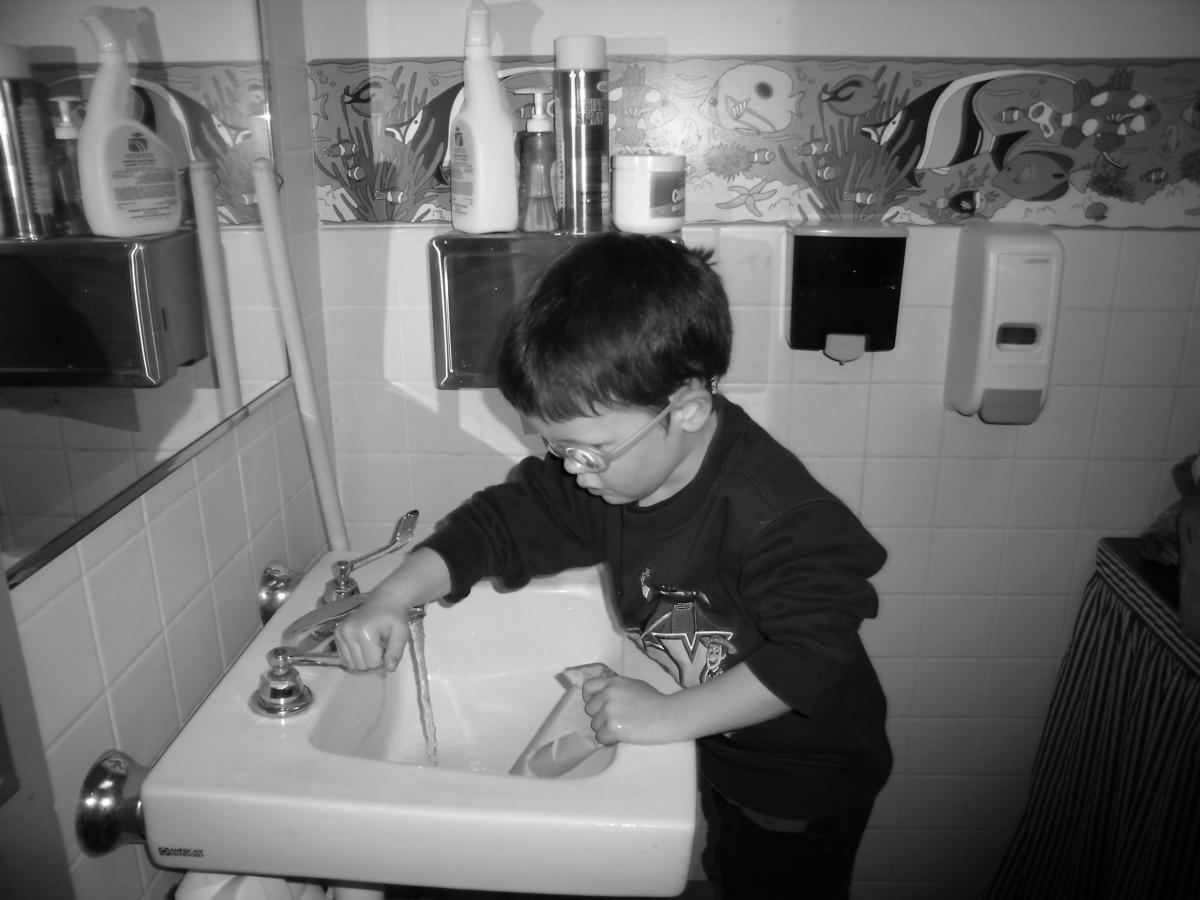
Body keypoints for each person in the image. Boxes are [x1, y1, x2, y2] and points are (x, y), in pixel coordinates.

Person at [335, 232, 892, 899]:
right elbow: (500, 523)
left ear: (684, 409)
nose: (573, 470)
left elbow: (810, 657)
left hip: (804, 772)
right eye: (556, 447)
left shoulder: (774, 513)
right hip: (728, 745)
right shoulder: (618, 474)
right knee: (728, 863)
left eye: (588, 450)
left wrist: (665, 717)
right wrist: (395, 594)